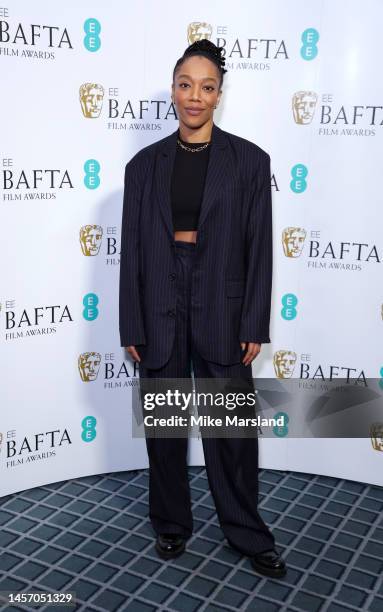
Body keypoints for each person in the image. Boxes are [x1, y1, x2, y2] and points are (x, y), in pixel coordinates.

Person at [119, 39, 286, 578]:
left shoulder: (249, 161)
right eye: (186, 85)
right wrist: (132, 321)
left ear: (219, 95)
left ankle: (246, 531)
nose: (195, 96)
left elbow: (258, 248)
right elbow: (133, 253)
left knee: (231, 433)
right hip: (161, 299)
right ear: (173, 90)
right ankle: (170, 524)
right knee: (165, 425)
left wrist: (253, 319)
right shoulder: (142, 166)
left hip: (222, 300)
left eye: (207, 87)